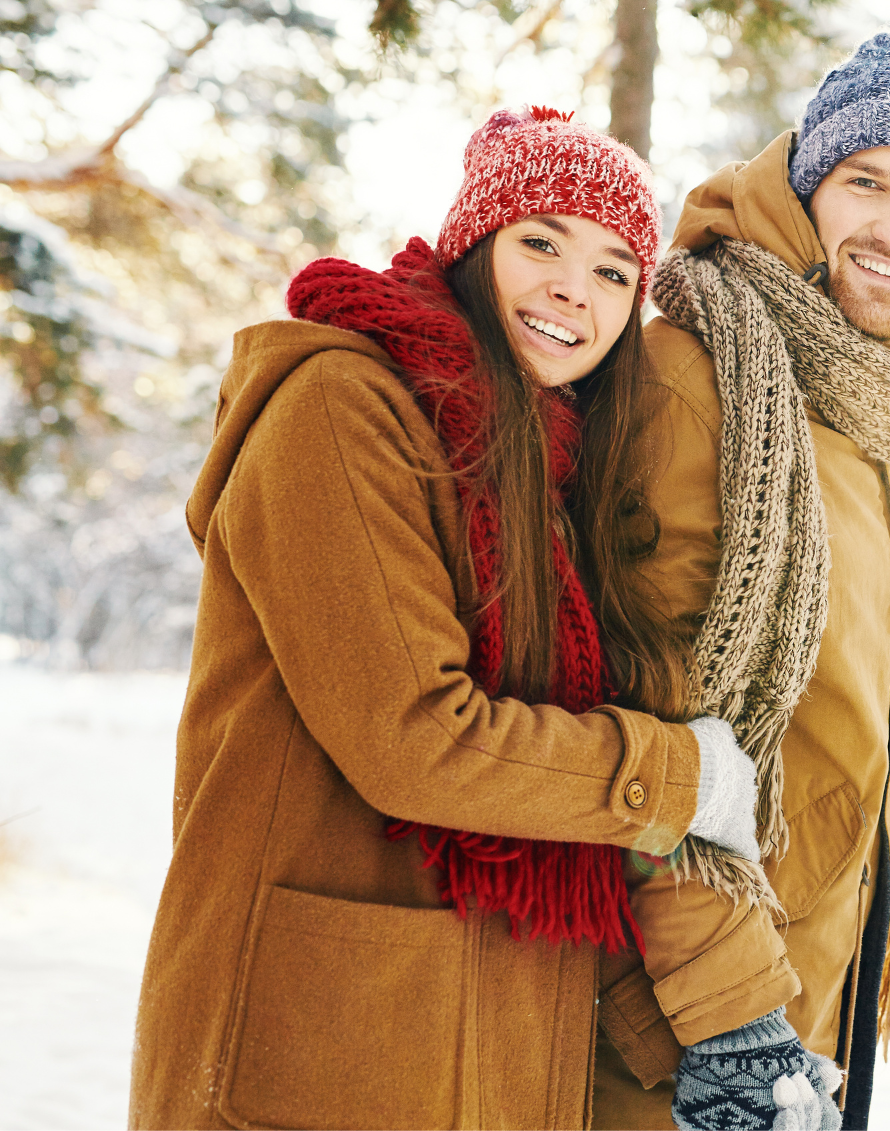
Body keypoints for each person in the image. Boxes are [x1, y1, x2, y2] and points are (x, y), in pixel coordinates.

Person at [128, 107, 764, 1130]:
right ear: (475, 247)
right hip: (313, 1046)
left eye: (613, 271)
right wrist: (676, 774)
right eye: (541, 243)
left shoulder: (556, 467)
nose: (574, 288)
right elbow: (415, 736)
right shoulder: (341, 410)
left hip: (470, 1044)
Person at [588, 30, 890, 1130]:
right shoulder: (704, 370)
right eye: (866, 181)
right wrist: (730, 1019)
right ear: (808, 185)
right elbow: (650, 715)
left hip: (821, 989)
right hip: (694, 1025)